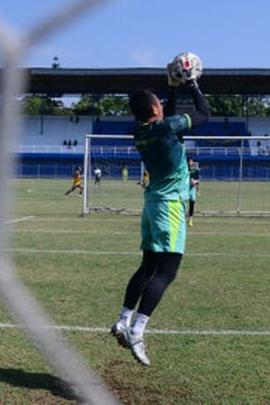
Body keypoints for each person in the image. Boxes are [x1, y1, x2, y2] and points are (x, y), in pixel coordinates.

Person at [109, 62, 210, 366]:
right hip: (171, 205)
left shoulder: (141, 132)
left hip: (153, 204)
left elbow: (165, 115)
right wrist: (191, 84)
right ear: (154, 109)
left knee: (147, 266)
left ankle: (123, 319)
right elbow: (205, 115)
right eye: (158, 102)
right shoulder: (165, 128)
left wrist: (170, 89)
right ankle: (137, 330)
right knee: (168, 271)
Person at [187, 158, 200, 227]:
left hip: (192, 189)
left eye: (190, 162)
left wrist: (195, 182)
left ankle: (190, 219)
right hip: (184, 189)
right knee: (182, 203)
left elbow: (198, 180)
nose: (189, 163)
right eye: (188, 162)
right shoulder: (184, 170)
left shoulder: (196, 170)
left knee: (192, 203)